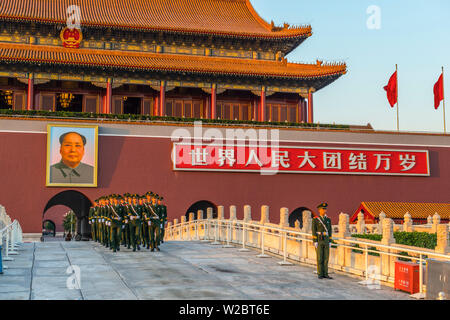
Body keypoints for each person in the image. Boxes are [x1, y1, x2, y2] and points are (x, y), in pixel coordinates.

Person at [312, 203, 333, 279]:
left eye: (325, 209)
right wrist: (315, 241)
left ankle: (325, 273)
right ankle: (320, 273)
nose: (325, 210)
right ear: (319, 210)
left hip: (326, 240)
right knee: (320, 257)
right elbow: (314, 230)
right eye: (323, 209)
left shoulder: (328, 220)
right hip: (319, 239)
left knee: (326, 257)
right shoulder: (315, 219)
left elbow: (330, 230)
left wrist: (330, 241)